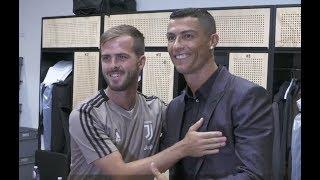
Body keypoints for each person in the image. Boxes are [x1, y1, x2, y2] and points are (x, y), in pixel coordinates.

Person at [68, 24, 227, 180]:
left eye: (121, 57)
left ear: (141, 62)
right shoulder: (86, 114)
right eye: (106, 58)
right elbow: (120, 173)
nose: (113, 65)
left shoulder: (156, 108)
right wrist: (184, 148)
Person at [154, 8, 274, 180]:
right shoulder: (175, 107)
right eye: (171, 38)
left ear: (212, 41)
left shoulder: (248, 97)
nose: (176, 45)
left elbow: (255, 176)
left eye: (188, 36)